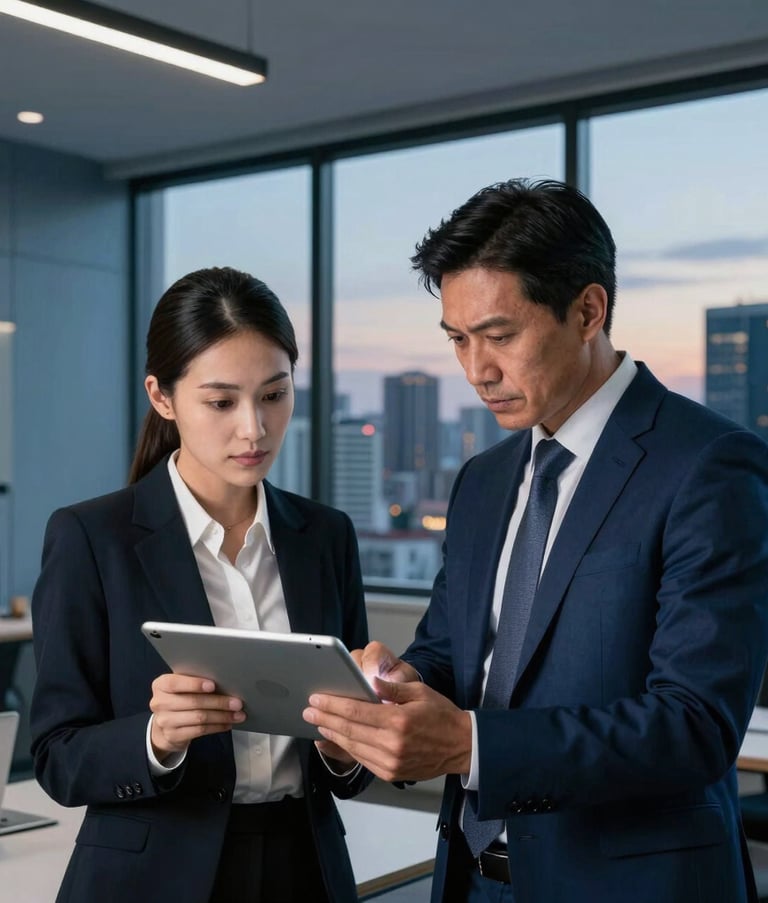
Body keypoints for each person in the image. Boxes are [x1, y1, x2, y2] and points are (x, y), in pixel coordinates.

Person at [303, 179, 768, 903]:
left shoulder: (708, 465)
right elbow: (450, 654)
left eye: (499, 336)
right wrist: (387, 693)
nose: (476, 371)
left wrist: (470, 745)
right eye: (458, 339)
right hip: (469, 879)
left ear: (588, 311)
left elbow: (695, 725)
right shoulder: (482, 479)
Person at [30, 266, 370, 903]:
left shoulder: (326, 536)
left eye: (274, 395)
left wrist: (347, 746)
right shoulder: (92, 538)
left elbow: (350, 757)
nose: (254, 428)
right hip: (151, 877)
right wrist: (156, 738)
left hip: (305, 869)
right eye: (221, 402)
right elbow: (56, 755)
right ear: (162, 397)